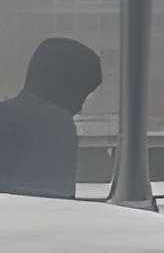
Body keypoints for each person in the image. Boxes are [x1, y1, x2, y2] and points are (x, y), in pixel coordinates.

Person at [0, 38, 101, 199]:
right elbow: (50, 204)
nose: (81, 106)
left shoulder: (12, 117)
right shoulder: (55, 127)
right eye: (83, 94)